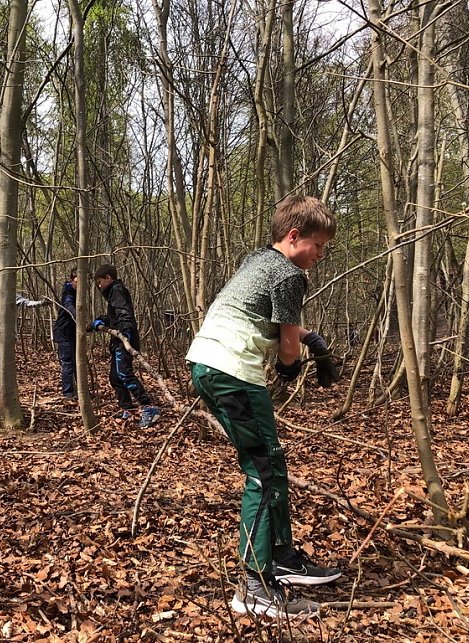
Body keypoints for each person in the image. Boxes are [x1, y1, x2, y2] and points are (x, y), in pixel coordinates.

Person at [186, 195, 342, 618]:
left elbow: (272, 318)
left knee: (271, 466)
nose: (320, 255)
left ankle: (283, 558)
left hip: (209, 362)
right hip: (232, 371)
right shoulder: (290, 275)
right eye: (318, 246)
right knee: (262, 473)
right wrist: (292, 365)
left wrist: (312, 340)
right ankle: (254, 586)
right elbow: (285, 344)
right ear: (294, 237)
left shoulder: (257, 260)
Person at [89, 264, 159, 427]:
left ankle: (149, 407)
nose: (99, 287)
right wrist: (100, 321)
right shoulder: (112, 293)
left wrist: (125, 333)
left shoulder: (116, 289)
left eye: (100, 282)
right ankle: (128, 408)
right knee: (115, 376)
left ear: (108, 278)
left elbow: (123, 312)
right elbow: (114, 316)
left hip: (124, 337)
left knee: (123, 373)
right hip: (118, 338)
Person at [52, 268, 79, 399]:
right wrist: (78, 316)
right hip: (63, 332)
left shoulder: (78, 293)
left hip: (72, 332)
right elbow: (69, 305)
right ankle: (68, 393)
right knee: (67, 362)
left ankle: (79, 391)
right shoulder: (68, 292)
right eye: (77, 281)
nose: (79, 285)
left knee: (76, 362)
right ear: (71, 280)